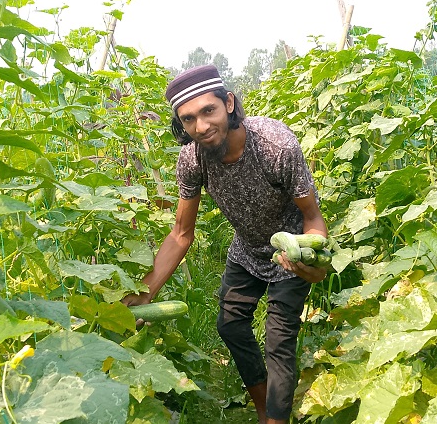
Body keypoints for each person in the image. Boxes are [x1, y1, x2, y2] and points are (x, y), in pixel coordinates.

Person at [122, 65, 328, 424]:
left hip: (288, 251)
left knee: (278, 342)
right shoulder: (192, 158)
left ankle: (277, 421)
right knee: (230, 326)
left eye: (208, 111)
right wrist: (142, 297)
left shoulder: (276, 146)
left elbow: (312, 217)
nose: (200, 127)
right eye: (188, 119)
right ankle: (266, 411)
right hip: (247, 250)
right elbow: (180, 234)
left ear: (229, 103)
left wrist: (313, 256)